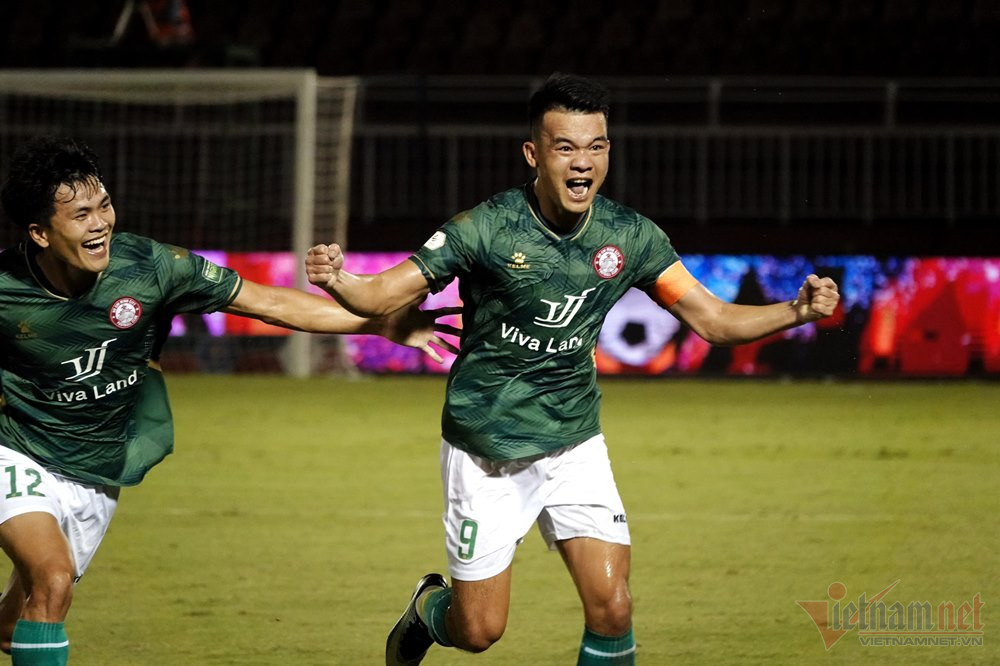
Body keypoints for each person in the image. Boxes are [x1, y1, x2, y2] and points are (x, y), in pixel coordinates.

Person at [305, 74, 840, 665]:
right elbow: (381, 295)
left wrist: (795, 311)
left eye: (596, 146)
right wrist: (338, 281)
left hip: (573, 443)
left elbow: (712, 320)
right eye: (565, 147)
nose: (583, 162)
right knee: (478, 630)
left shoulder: (630, 237)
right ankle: (430, 609)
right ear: (533, 154)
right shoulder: (486, 228)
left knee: (613, 607)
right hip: (486, 448)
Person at [0, 135, 458, 665]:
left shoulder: (151, 266)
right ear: (39, 232)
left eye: (104, 205)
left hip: (98, 466)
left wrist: (378, 324)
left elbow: (269, 303)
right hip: (19, 451)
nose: (101, 223)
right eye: (81, 215)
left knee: (23, 617)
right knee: (53, 579)